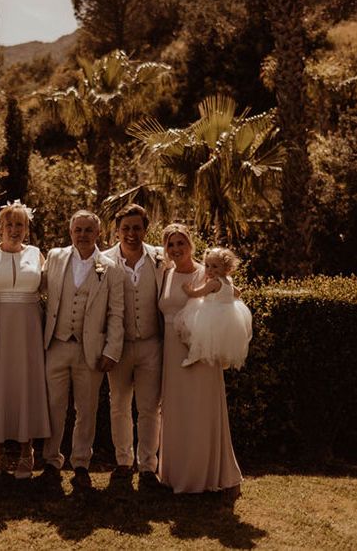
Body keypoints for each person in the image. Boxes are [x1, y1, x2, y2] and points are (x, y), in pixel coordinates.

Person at [158, 224, 242, 501]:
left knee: (201, 411)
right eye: (171, 244)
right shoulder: (166, 272)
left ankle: (210, 476)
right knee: (176, 411)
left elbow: (228, 298)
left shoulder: (205, 272)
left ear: (190, 245)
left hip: (200, 350)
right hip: (172, 351)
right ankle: (175, 474)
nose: (176, 249)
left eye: (181, 243)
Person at [41, 210, 125, 489]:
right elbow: (35, 291)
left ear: (98, 233)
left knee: (86, 410)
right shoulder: (54, 257)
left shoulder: (111, 267)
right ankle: (51, 462)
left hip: (91, 350)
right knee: (54, 407)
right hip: (56, 344)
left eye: (88, 230)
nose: (83, 235)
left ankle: (80, 464)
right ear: (70, 232)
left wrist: (111, 350)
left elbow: (116, 313)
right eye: (78, 230)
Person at [0, 200, 49, 479]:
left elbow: (52, 290)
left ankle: (27, 453)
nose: (14, 230)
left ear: (27, 228)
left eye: (20, 225)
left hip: (28, 329)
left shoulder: (38, 254)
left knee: (25, 383)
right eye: (9, 224)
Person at [101, 204, 166, 487]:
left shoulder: (161, 258)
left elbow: (192, 269)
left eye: (137, 228)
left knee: (151, 408)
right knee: (119, 406)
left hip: (152, 344)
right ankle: (123, 463)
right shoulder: (102, 260)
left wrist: (222, 282)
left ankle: (149, 467)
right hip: (118, 347)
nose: (131, 233)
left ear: (145, 229)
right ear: (116, 231)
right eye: (125, 228)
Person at [178, 247, 252, 369]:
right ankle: (223, 361)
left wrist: (187, 289)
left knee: (199, 336)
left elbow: (197, 294)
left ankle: (193, 355)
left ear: (226, 268)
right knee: (219, 341)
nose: (210, 270)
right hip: (228, 316)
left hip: (211, 314)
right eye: (207, 266)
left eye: (215, 266)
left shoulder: (214, 283)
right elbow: (237, 293)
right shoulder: (228, 281)